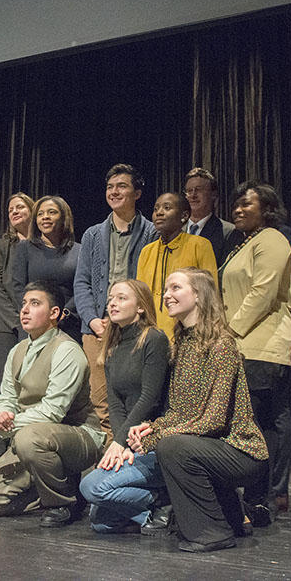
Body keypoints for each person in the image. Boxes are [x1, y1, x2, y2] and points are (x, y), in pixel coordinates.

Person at [130, 269, 268, 553]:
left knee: (173, 447)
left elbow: (214, 420)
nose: (167, 295)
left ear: (199, 296)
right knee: (171, 442)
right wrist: (151, 427)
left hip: (242, 449)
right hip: (212, 446)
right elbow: (181, 413)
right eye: (166, 289)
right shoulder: (183, 345)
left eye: (176, 288)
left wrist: (159, 437)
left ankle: (211, 532)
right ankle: (231, 516)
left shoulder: (222, 346)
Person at [0, 281, 105, 527]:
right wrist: (1, 414)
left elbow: (54, 412)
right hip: (32, 437)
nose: (25, 310)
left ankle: (62, 503)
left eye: (35, 304)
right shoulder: (19, 349)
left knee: (28, 439)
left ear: (54, 313)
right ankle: (52, 483)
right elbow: (7, 396)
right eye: (24, 304)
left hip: (76, 436)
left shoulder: (67, 351)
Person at [218, 182, 291, 527]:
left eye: (246, 204)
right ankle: (255, 496)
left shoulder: (273, 240)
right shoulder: (241, 244)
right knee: (251, 425)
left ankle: (261, 499)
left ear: (267, 208)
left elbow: (263, 293)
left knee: (263, 427)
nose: (237, 209)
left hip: (262, 346)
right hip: (240, 345)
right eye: (235, 204)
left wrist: (230, 331)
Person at [79, 280, 169, 534]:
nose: (112, 304)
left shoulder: (153, 339)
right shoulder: (113, 347)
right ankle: (157, 511)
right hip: (129, 444)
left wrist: (122, 443)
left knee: (92, 488)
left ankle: (166, 500)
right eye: (110, 299)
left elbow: (150, 398)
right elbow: (115, 404)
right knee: (101, 522)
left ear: (140, 307)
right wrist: (120, 446)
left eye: (121, 298)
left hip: (152, 443)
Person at [74, 164, 157, 436]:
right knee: (101, 403)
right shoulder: (92, 235)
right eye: (110, 187)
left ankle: (128, 460)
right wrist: (93, 320)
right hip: (97, 330)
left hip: (135, 331)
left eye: (122, 186)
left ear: (138, 192)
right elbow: (82, 282)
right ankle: (109, 463)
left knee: (135, 399)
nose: (114, 191)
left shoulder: (151, 232)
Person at [136, 192, 217, 340]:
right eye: (156, 209)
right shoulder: (147, 252)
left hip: (189, 333)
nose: (159, 213)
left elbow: (210, 294)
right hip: (151, 334)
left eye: (167, 208)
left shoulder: (199, 245)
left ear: (184, 216)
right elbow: (140, 297)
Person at [9, 196, 82, 342]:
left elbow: (82, 286)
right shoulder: (24, 248)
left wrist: (64, 313)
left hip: (67, 322)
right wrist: (34, 312)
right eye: (40, 214)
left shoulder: (79, 250)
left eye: (52, 212)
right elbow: (17, 286)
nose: (45, 217)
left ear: (64, 218)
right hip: (34, 323)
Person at [0, 193, 35, 408]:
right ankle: (0, 440)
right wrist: (17, 320)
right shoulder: (2, 246)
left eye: (20, 207)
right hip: (6, 325)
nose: (14, 212)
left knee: (33, 381)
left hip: (36, 323)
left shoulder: (41, 245)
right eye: (10, 209)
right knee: (6, 385)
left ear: (32, 210)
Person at [183, 167, 242, 266]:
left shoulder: (229, 233)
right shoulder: (175, 230)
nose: (193, 195)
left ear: (213, 195)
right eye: (189, 191)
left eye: (198, 190)